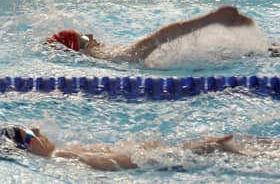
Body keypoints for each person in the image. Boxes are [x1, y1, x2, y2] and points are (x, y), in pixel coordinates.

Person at [47, 6, 279, 62]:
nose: (91, 36)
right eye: (84, 39)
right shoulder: (112, 57)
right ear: (80, 50)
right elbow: (158, 38)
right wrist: (210, 19)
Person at [1, 124, 278, 171]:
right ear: (26, 147)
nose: (37, 131)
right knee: (223, 148)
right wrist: (189, 151)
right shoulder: (61, 156)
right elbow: (119, 163)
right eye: (28, 134)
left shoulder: (66, 151)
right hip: (168, 162)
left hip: (166, 157)